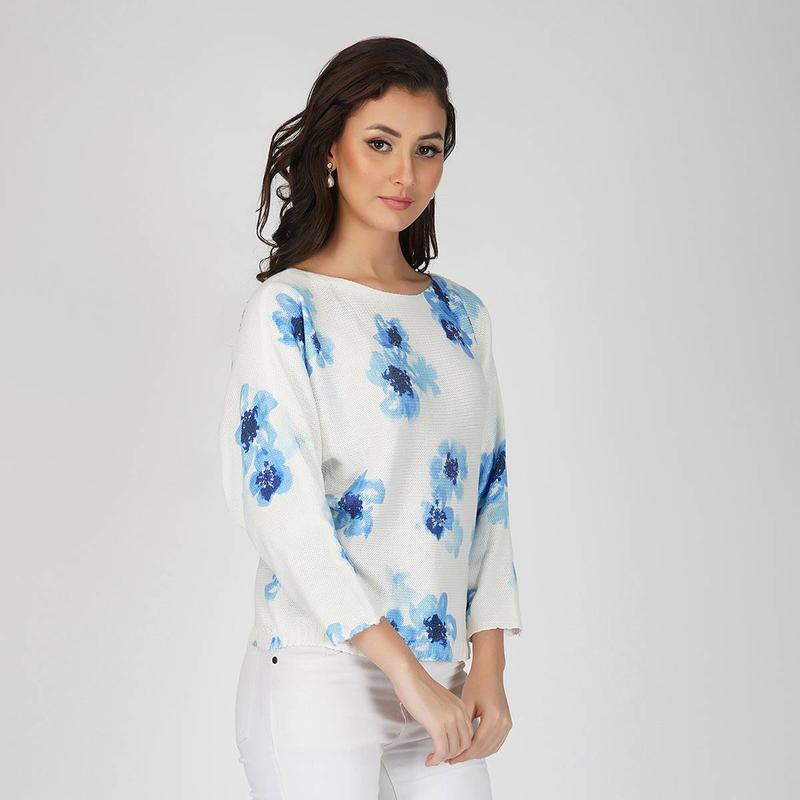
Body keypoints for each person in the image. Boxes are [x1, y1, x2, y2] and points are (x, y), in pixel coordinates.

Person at [218, 36, 523, 799]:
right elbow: (283, 513)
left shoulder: (463, 318)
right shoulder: (288, 310)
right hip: (321, 674)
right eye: (380, 144)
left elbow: (488, 499)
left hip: (445, 676)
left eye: (427, 149)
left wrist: (488, 665)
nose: (404, 174)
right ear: (331, 148)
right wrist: (403, 674)